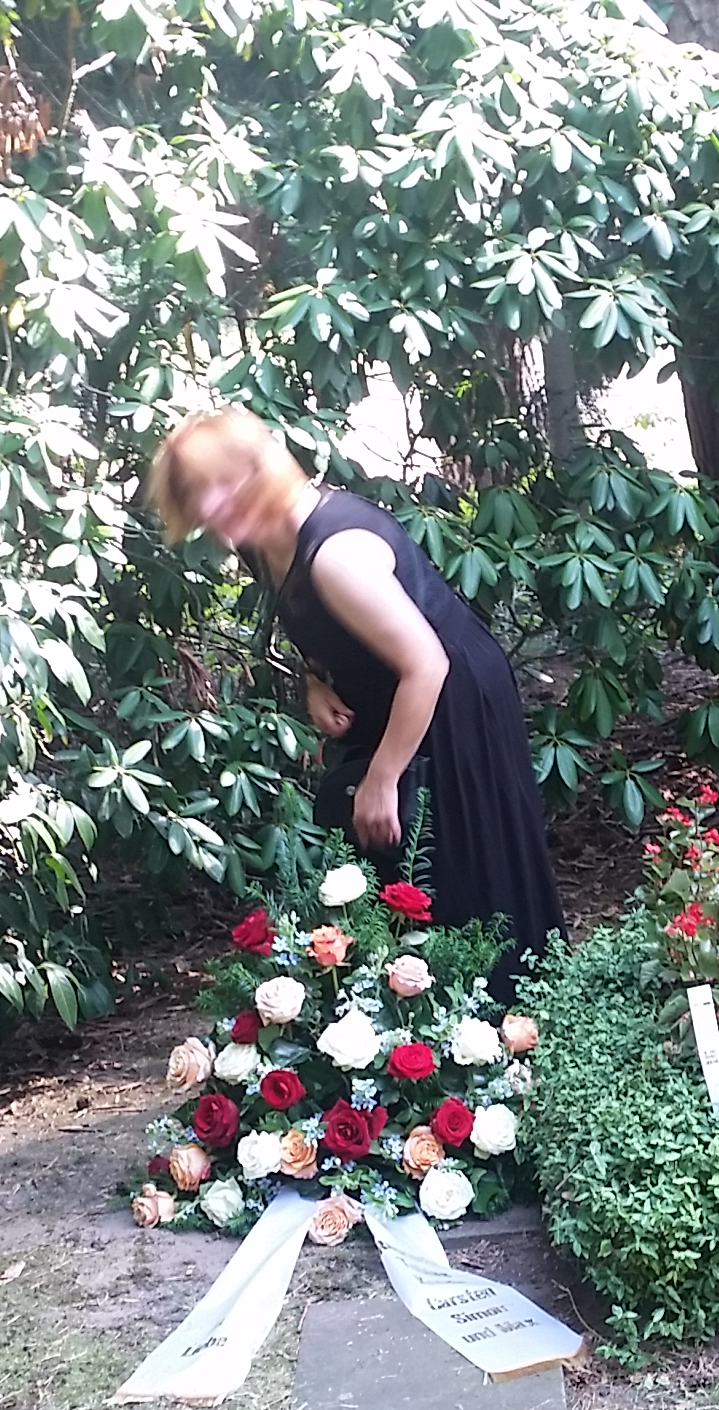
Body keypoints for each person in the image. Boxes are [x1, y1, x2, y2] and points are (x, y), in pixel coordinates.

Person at [147, 407, 565, 989]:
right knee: (412, 889)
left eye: (223, 482)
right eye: (198, 491)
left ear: (260, 468)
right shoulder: (262, 540)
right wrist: (314, 677)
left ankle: (524, 1016)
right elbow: (317, 621)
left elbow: (427, 663)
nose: (211, 505)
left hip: (448, 705)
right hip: (397, 702)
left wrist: (383, 777)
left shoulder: (337, 557)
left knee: (473, 880)